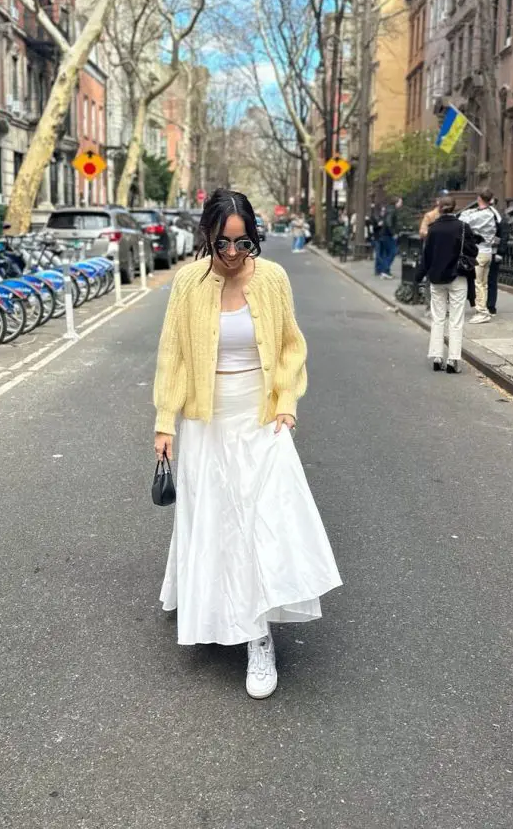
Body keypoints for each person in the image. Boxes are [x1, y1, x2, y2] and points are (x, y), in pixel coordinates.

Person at [153, 189, 342, 700]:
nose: (233, 253)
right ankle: (208, 607)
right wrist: (165, 422)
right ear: (206, 237)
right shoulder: (189, 283)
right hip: (205, 420)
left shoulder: (273, 278)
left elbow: (289, 346)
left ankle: (259, 638)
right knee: (214, 519)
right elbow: (172, 353)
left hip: (260, 418)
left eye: (242, 242)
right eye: (222, 242)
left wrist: (287, 401)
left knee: (262, 522)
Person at [415, 196, 479, 373]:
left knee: (438, 318)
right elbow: (473, 250)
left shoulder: (433, 229)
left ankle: (437, 356)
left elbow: (426, 256)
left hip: (437, 278)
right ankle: (452, 360)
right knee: (456, 319)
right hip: (457, 276)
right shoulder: (463, 227)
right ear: (454, 208)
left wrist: (419, 276)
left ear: (440, 208)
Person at [459, 188, 497, 324]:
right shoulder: (491, 213)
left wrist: (466, 212)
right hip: (488, 252)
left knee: (478, 283)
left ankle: (482, 312)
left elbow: (463, 221)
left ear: (479, 199)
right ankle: (484, 308)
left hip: (479, 253)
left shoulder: (480, 215)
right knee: (484, 284)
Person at [487, 197, 509, 316]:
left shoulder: (500, 217)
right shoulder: (481, 216)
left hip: (494, 252)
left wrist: (500, 252)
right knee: (481, 281)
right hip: (483, 251)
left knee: (491, 280)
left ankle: (490, 306)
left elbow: (504, 236)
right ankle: (482, 304)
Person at [375, 197, 401, 278]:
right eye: (400, 202)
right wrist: (393, 233)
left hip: (383, 234)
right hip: (388, 235)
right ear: (396, 202)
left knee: (386, 253)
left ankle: (383, 270)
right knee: (393, 251)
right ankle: (385, 270)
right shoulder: (392, 210)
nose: (401, 204)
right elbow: (389, 222)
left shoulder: (389, 209)